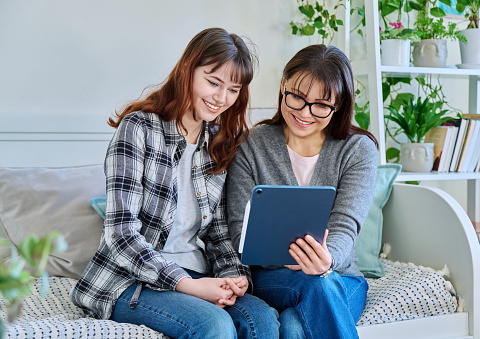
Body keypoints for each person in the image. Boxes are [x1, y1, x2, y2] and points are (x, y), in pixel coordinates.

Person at [70, 27, 279, 339]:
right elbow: (121, 235)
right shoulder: (138, 128)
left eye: (233, 89)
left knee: (262, 320)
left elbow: (219, 233)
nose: (221, 98)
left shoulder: (219, 141)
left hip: (198, 272)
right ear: (188, 71)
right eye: (213, 82)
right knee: (214, 325)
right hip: (131, 279)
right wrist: (189, 285)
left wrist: (234, 275)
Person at [226, 44, 378, 339]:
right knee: (315, 283)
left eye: (321, 104)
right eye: (296, 97)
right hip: (274, 277)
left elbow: (346, 223)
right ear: (283, 84)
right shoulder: (250, 146)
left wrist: (326, 260)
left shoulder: (358, 150)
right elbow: (239, 232)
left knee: (298, 322)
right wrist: (287, 259)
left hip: (341, 277)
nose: (305, 113)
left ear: (339, 104)